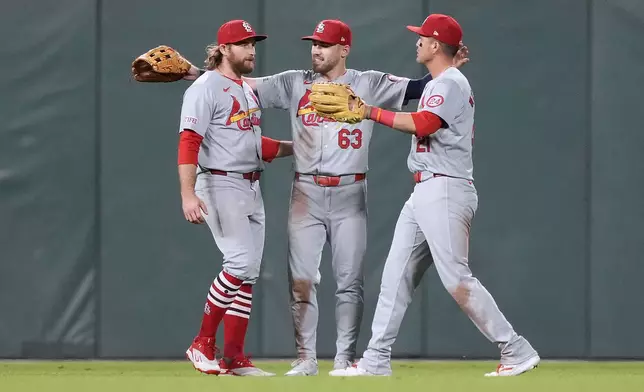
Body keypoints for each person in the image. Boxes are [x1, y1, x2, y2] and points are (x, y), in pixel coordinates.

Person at [135, 19, 469, 376]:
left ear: (344, 49)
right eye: (314, 43)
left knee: (347, 282)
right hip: (302, 191)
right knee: (299, 280)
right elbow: (235, 84)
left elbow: (419, 88)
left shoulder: (367, 83)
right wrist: (192, 73)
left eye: (324, 45)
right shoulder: (294, 82)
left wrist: (447, 67)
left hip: (349, 190)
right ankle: (304, 357)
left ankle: (339, 359)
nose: (316, 50)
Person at [309, 14, 540, 377]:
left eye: (422, 37)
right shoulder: (444, 81)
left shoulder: (449, 84)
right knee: (395, 277)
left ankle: (515, 349)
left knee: (456, 279)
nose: (416, 41)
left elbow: (424, 123)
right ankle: (375, 360)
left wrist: (368, 111)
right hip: (426, 189)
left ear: (435, 45)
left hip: (446, 187)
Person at [179, 19, 293, 377]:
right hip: (219, 183)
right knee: (239, 264)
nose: (251, 50)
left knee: (249, 274)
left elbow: (253, 144)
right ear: (224, 49)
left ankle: (235, 357)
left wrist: (301, 149)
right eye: (244, 44)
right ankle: (202, 343)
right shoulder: (205, 87)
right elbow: (189, 141)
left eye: (253, 44)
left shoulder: (244, 88)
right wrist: (187, 194)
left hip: (251, 184)